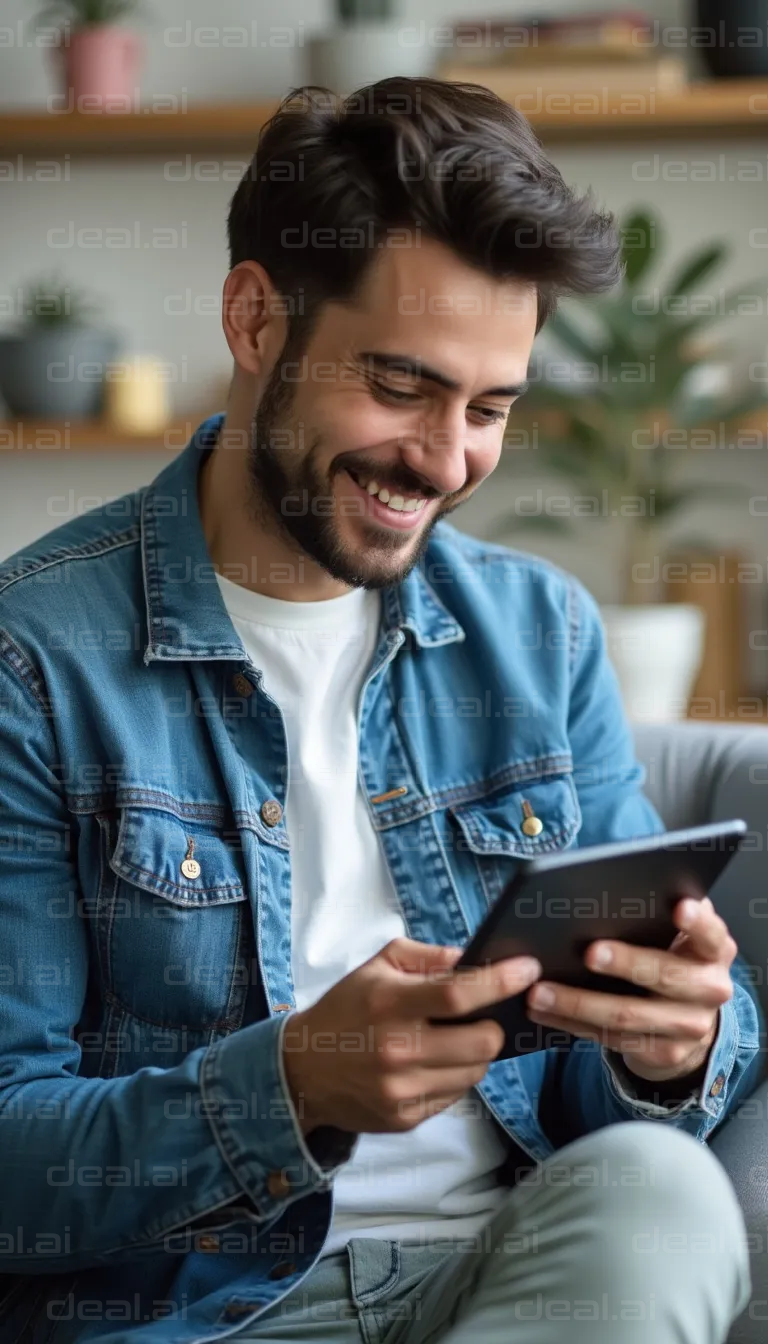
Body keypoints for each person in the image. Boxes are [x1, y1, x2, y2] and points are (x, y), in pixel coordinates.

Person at [0, 77, 762, 1344]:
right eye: (403, 387)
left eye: (491, 409)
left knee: (665, 1190)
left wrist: (666, 1048)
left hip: (495, 1278)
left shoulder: (541, 635)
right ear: (256, 319)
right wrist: (291, 1087)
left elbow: (603, 1076)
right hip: (192, 1316)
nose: (447, 458)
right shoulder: (32, 663)